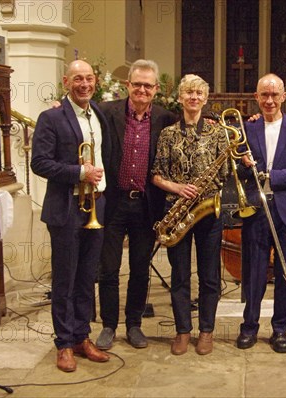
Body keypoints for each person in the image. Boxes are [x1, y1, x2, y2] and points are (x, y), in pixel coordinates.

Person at [31, 60, 110, 372]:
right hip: (66, 207)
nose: (85, 84)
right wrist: (80, 171)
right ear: (66, 82)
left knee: (87, 277)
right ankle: (63, 343)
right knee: (65, 278)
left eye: (89, 78)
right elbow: (40, 162)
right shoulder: (51, 117)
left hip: (96, 206)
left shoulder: (99, 113)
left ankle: (81, 336)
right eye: (78, 79)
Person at [95, 60, 177, 351]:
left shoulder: (166, 119)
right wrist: (58, 106)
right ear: (127, 85)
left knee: (140, 268)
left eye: (148, 85)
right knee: (108, 268)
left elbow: (196, 119)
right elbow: (76, 115)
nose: (142, 89)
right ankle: (108, 325)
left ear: (156, 89)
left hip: (146, 205)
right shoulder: (105, 112)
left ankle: (134, 324)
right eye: (137, 84)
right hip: (114, 202)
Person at [236, 74, 286, 354]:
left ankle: (280, 329)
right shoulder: (247, 128)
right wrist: (244, 166)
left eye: (274, 95)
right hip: (256, 210)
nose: (269, 100)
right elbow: (237, 171)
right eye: (263, 95)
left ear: (284, 96)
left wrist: (272, 176)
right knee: (254, 273)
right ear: (256, 98)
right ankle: (249, 326)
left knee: (284, 273)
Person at [151, 74, 228, 356]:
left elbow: (224, 173)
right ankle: (183, 330)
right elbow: (156, 175)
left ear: (206, 99)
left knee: (209, 277)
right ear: (180, 98)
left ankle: (206, 331)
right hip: (176, 210)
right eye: (188, 93)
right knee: (180, 275)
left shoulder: (218, 132)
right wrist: (178, 187)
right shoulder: (168, 134)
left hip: (208, 211)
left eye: (199, 93)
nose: (194, 97)